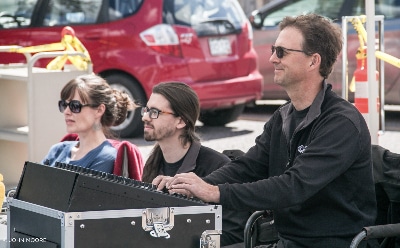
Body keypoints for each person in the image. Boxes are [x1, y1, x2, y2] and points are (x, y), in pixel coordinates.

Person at [164, 14, 377, 247]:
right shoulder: (283, 116)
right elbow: (248, 167)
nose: (273, 58)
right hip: (288, 241)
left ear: (313, 61)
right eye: (274, 49)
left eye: (282, 52)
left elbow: (293, 186)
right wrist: (191, 186)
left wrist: (215, 193)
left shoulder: (341, 123)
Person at [141, 82, 250, 248]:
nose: (145, 117)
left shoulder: (220, 167)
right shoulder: (153, 164)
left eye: (155, 112)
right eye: (146, 109)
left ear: (181, 121)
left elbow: (236, 234)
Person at [42, 74, 136, 173]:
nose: (66, 111)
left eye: (75, 106)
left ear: (99, 110)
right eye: (64, 105)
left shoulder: (106, 157)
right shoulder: (57, 150)